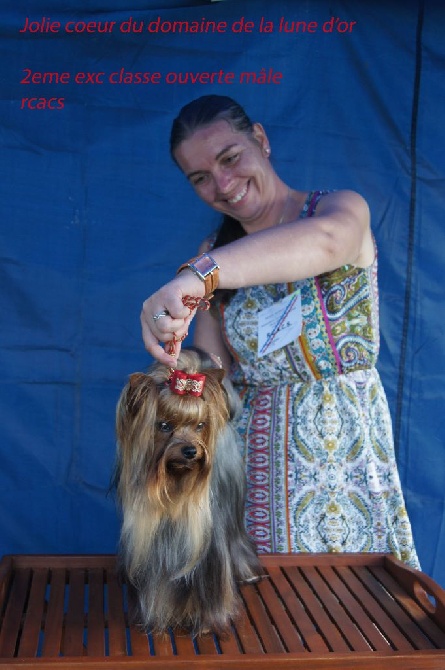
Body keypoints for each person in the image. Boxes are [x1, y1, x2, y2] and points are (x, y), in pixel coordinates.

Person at [140, 94, 420, 567]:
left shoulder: (335, 210)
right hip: (257, 467)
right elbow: (216, 376)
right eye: (201, 178)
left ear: (261, 140)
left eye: (230, 159)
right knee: (274, 619)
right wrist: (178, 369)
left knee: (355, 613)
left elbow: (328, 243)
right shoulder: (213, 251)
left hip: (344, 457)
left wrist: (198, 274)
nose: (223, 184)